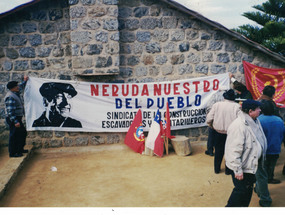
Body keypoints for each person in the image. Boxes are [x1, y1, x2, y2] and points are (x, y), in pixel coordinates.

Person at [225, 99, 267, 207]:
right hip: (242, 167)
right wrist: (237, 170)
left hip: (251, 164)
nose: (260, 110)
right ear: (250, 111)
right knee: (240, 191)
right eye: (258, 109)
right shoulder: (238, 126)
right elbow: (233, 150)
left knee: (247, 190)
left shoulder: (255, 121)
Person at [206, 89, 241, 174]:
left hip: (218, 132)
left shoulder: (216, 105)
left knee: (218, 151)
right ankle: (228, 170)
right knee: (229, 152)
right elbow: (240, 120)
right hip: (231, 133)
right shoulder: (237, 107)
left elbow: (209, 119)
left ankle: (217, 169)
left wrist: (212, 126)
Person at [258, 100, 284, 184]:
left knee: (262, 166)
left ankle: (261, 183)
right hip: (275, 147)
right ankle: (270, 178)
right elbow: (281, 133)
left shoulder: (258, 120)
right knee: (271, 165)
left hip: (262, 149)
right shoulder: (279, 120)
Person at [4, 76, 28, 157]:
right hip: (13, 119)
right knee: (14, 135)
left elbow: (21, 86)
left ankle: (20, 149)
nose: (18, 87)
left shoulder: (15, 92)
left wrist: (25, 81)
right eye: (16, 86)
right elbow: (10, 111)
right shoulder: (10, 97)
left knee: (22, 133)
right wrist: (15, 121)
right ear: (12, 88)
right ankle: (13, 153)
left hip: (17, 118)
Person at [205, 86, 228, 156]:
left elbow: (209, 106)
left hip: (215, 118)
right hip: (225, 119)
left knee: (212, 134)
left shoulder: (214, 96)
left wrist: (210, 119)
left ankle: (210, 150)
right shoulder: (228, 97)